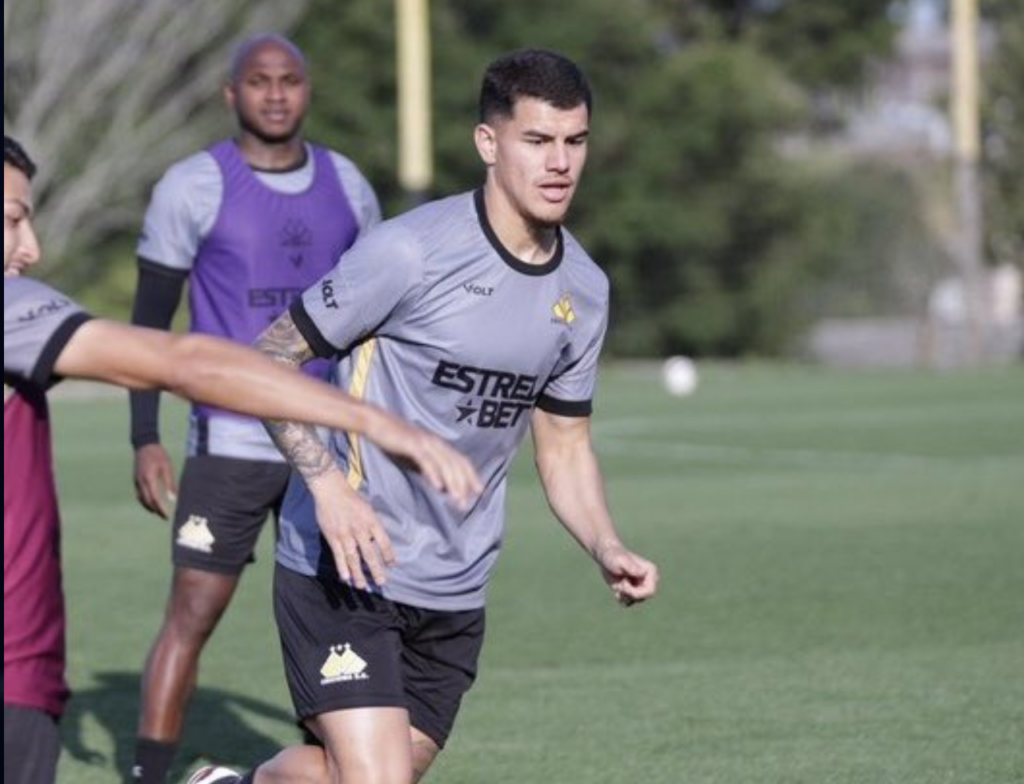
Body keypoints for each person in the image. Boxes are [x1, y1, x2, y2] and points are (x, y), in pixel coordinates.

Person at [188, 48, 660, 784]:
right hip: (345, 567)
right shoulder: (409, 252)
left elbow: (564, 447)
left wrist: (605, 545)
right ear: (489, 143)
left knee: (364, 777)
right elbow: (264, 364)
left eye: (575, 141)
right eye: (537, 141)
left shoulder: (585, 292)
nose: (560, 162)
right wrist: (330, 491)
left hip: (455, 588)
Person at [2, 135, 480, 784]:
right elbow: (188, 363)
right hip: (14, 676)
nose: (30, 248)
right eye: (12, 219)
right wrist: (368, 418)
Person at [126, 33, 383, 784]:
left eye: (291, 80)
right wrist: (145, 435)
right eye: (259, 81)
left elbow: (377, 321)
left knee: (336, 622)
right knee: (193, 614)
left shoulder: (352, 188)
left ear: (308, 90)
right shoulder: (192, 187)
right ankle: (149, 777)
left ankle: (334, 766)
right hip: (230, 444)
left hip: (326, 454)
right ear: (230, 94)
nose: (276, 94)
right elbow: (146, 329)